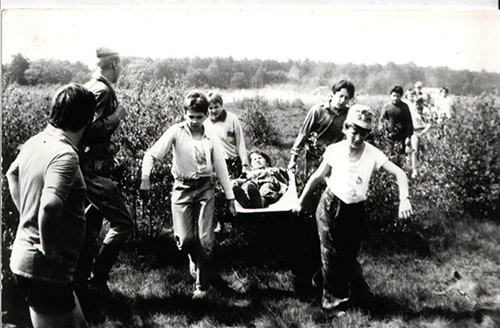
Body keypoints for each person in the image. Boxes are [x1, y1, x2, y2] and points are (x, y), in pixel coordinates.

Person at [293, 104, 413, 313]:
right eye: (354, 131)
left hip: (355, 210)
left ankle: (318, 280)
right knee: (329, 252)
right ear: (346, 128)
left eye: (363, 133)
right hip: (330, 205)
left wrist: (404, 199)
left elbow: (400, 174)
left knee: (347, 255)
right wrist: (301, 201)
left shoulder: (373, 154)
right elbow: (318, 176)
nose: (357, 138)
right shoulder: (334, 150)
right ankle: (332, 302)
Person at [6, 84, 96, 328]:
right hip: (43, 270)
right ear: (88, 119)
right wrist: (48, 248)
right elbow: (49, 206)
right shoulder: (65, 155)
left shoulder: (36, 142)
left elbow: (11, 174)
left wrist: (26, 213)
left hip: (39, 266)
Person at [140, 91, 237, 300]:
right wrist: (145, 178)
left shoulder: (210, 135)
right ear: (185, 113)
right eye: (190, 116)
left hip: (205, 189)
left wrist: (230, 198)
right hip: (182, 188)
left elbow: (221, 166)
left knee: (206, 242)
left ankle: (202, 287)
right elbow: (151, 154)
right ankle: (194, 259)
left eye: (199, 117)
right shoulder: (176, 132)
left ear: (205, 116)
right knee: (185, 240)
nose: (194, 121)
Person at [74, 47, 134, 296]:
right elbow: (87, 130)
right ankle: (98, 279)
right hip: (94, 171)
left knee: (89, 228)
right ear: (116, 64)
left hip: (90, 167)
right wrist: (116, 117)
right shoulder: (100, 90)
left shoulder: (91, 86)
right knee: (123, 223)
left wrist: (107, 143)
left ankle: (81, 282)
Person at [288, 80, 355, 177]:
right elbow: (303, 134)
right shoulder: (318, 111)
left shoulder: (349, 115)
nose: (342, 100)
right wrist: (293, 160)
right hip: (314, 156)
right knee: (311, 184)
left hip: (335, 159)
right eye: (340, 96)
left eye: (346, 98)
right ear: (333, 95)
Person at [204, 91, 249, 178]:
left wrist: (245, 164)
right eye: (210, 108)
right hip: (218, 164)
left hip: (234, 161)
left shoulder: (232, 119)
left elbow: (240, 142)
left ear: (221, 105)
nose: (213, 110)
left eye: (216, 107)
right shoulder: (206, 124)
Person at [379, 85, 414, 155]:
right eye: (394, 95)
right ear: (390, 95)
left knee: (401, 155)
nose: (395, 98)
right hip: (389, 136)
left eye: (398, 96)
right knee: (389, 154)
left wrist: (408, 137)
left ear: (401, 96)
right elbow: (381, 119)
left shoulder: (404, 107)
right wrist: (381, 128)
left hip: (402, 136)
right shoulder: (387, 106)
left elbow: (409, 122)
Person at [409, 97, 432, 178]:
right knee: (414, 151)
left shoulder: (426, 110)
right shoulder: (412, 110)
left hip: (424, 131)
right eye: (416, 103)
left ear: (422, 103)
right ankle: (414, 170)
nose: (418, 105)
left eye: (419, 103)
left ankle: (425, 168)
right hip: (415, 132)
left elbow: (430, 124)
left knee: (425, 151)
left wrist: (423, 132)